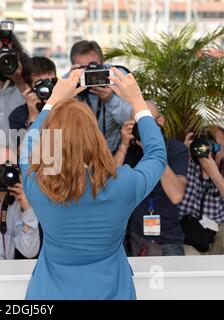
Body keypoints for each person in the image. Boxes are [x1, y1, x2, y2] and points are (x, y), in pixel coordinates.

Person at [20, 68, 167, 299]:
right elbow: (156, 155)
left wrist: (53, 101)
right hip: (113, 291)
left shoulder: (37, 186)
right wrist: (138, 104)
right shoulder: (123, 185)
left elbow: (27, 149)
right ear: (95, 137)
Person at [114, 101, 189, 256]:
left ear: (160, 122)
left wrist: (153, 149)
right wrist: (122, 146)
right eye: (137, 124)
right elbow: (110, 186)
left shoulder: (177, 150)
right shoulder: (128, 150)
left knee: (173, 280)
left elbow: (176, 196)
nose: (142, 129)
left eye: (145, 122)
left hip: (168, 237)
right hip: (134, 237)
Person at [68, 40, 132, 153]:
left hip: (115, 152)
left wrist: (111, 99)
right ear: (74, 67)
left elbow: (132, 120)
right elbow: (59, 124)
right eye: (84, 68)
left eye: (94, 67)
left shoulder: (117, 76)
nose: (90, 73)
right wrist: (71, 90)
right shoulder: (68, 81)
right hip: (80, 155)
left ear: (103, 63)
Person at [179, 124, 224, 255]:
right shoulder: (185, 164)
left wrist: (215, 174)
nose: (209, 148)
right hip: (188, 239)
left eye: (216, 144)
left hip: (218, 239)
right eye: (207, 141)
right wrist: (183, 153)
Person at [9, 57, 57, 131]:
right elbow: (26, 142)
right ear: (29, 87)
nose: (46, 88)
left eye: (49, 82)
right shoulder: (18, 115)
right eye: (40, 84)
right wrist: (33, 117)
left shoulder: (69, 108)